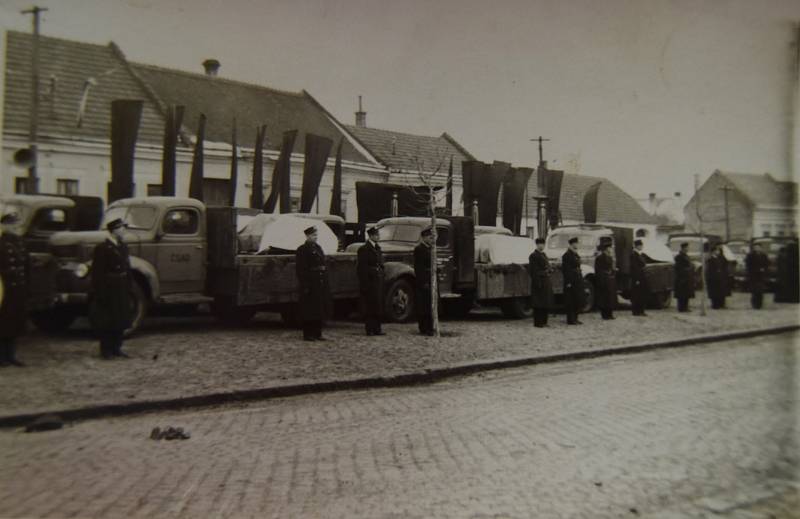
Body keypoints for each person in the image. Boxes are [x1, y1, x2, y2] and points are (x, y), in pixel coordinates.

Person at [90, 218, 133, 359]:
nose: (124, 231)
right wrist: (100, 292)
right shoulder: (103, 248)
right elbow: (98, 272)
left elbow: (127, 267)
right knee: (108, 319)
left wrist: (129, 285)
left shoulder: (123, 246)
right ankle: (106, 350)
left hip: (121, 286)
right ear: (114, 230)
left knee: (120, 317)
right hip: (109, 287)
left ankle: (117, 347)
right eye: (122, 228)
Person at [0, 213, 28, 367]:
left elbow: (25, 266)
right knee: (3, 322)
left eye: (16, 224)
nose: (16, 227)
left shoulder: (19, 242)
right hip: (5, 288)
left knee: (15, 322)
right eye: (12, 224)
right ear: (4, 225)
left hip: (18, 288)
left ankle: (11, 355)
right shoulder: (1, 243)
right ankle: (2, 356)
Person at [295, 226, 331, 341]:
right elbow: (301, 269)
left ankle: (318, 332)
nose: (316, 237)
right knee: (309, 310)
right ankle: (308, 333)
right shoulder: (302, 249)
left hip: (319, 282)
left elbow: (323, 264)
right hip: (310, 283)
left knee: (319, 309)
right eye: (313, 235)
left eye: (316, 235)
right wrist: (305, 284)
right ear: (307, 236)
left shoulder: (318, 248)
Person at [357, 226, 385, 336]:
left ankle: (377, 328)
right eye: (376, 235)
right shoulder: (364, 249)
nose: (378, 237)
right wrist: (365, 284)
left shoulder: (377, 248)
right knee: (370, 306)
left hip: (377, 280)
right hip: (369, 281)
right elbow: (362, 268)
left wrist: (382, 271)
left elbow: (380, 263)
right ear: (371, 236)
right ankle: (369, 329)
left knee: (378, 305)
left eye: (378, 234)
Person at [414, 228, 435, 336]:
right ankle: (424, 327)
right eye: (429, 237)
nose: (431, 239)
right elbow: (419, 268)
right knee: (423, 305)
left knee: (430, 305)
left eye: (432, 237)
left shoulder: (430, 249)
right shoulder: (419, 249)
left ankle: (430, 326)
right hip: (424, 281)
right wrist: (423, 282)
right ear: (423, 237)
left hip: (431, 280)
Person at [528, 237, 553, 327]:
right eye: (540, 244)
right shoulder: (533, 256)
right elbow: (533, 271)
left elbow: (547, 266)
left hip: (546, 281)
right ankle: (538, 322)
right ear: (537, 245)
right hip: (539, 281)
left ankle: (544, 321)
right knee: (538, 303)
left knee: (545, 302)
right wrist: (537, 282)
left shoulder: (544, 255)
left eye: (543, 244)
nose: (542, 246)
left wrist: (549, 270)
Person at [562, 237, 583, 325]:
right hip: (571, 280)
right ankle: (571, 319)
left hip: (577, 279)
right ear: (572, 244)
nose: (577, 245)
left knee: (577, 299)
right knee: (570, 300)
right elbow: (566, 270)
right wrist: (568, 282)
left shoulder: (575, 254)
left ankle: (576, 317)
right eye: (576, 243)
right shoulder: (567, 255)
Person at [594, 242, 617, 320]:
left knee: (610, 297)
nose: (611, 249)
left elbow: (611, 268)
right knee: (604, 297)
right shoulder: (600, 258)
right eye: (610, 248)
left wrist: (613, 271)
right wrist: (600, 280)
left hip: (609, 279)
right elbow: (598, 270)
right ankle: (604, 314)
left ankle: (610, 313)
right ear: (606, 249)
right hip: (603, 279)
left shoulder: (610, 257)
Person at [745, 242, 769, 309]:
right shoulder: (750, 255)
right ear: (754, 248)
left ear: (761, 248)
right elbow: (748, 265)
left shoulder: (764, 255)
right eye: (756, 247)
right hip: (754, 276)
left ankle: (760, 304)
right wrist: (756, 269)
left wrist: (764, 269)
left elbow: (767, 264)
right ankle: (755, 304)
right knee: (754, 291)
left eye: (759, 247)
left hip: (761, 276)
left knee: (760, 291)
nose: (757, 248)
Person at [705, 244, 729, 309]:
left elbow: (725, 263)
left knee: (720, 291)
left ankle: (720, 304)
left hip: (720, 278)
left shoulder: (720, 257)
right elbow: (709, 269)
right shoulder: (710, 259)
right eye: (717, 250)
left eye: (718, 250)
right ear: (713, 251)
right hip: (713, 278)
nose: (718, 252)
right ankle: (715, 305)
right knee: (714, 292)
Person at [630, 239, 650, 316]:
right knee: (637, 295)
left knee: (641, 294)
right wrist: (637, 279)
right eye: (640, 245)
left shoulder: (639, 254)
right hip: (637, 278)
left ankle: (641, 310)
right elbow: (635, 268)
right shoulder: (634, 255)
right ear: (637, 246)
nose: (642, 246)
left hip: (641, 277)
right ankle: (636, 311)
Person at [673, 242, 695, 312]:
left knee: (687, 293)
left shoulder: (686, 256)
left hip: (687, 277)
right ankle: (681, 308)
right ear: (683, 248)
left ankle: (685, 307)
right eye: (687, 247)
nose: (688, 249)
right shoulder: (679, 257)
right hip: (681, 278)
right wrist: (687, 269)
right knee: (681, 294)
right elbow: (678, 268)